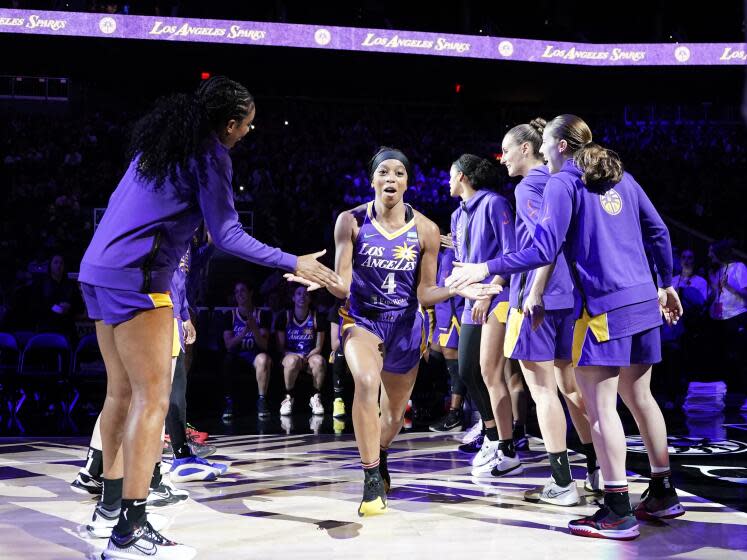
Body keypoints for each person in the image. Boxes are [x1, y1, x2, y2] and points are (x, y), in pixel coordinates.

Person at [77, 75, 339, 558]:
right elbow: (227, 235)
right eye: (248, 127)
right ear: (232, 124)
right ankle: (128, 534)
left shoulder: (157, 145)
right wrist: (293, 261)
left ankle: (109, 512)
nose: (247, 134)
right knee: (152, 405)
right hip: (139, 278)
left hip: (97, 269)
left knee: (120, 395)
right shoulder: (211, 153)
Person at [447, 114, 685, 540]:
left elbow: (541, 247)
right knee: (641, 398)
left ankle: (617, 511)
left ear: (558, 147)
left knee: (600, 408)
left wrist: (487, 266)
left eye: (544, 149)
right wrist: (665, 283)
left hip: (605, 309)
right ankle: (664, 492)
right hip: (644, 301)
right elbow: (659, 230)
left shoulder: (563, 182)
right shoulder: (621, 178)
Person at [286, 146, 499, 516]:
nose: (391, 178)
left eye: (399, 173)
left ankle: (380, 453)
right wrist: (324, 279)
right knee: (366, 382)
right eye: (384, 172)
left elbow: (425, 292)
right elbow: (344, 283)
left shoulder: (427, 230)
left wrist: (455, 288)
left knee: (395, 415)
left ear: (407, 182)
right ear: (372, 180)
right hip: (362, 320)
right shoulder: (349, 222)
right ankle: (370, 477)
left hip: (406, 324)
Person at [499, 119, 599, 506]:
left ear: (527, 148)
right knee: (570, 387)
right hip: (572, 298)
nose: (502, 158)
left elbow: (547, 243)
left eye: (506, 150)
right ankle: (596, 469)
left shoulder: (530, 186)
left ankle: (561, 481)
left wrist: (535, 288)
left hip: (539, 301)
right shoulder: (567, 180)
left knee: (542, 391)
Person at [449, 154, 521, 478]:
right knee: (466, 370)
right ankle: (491, 434)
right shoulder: (456, 216)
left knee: (491, 372)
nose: (447, 181)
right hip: (471, 300)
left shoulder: (495, 204)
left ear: (462, 176)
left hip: (497, 295)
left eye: (451, 175)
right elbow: (462, 262)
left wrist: (490, 290)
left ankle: (507, 447)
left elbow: (511, 254)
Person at [429, 234, 466, 432]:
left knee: (454, 358)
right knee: (433, 358)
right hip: (440, 309)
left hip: (455, 310)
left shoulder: (455, 251)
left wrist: (459, 247)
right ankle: (437, 406)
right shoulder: (439, 253)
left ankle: (455, 413)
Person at [221, 281, 274, 420]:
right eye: (237, 292)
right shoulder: (230, 315)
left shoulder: (262, 315)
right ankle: (229, 402)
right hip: (237, 355)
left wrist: (254, 329)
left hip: (254, 355)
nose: (239, 294)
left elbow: (264, 345)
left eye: (243, 290)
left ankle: (262, 400)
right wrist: (245, 331)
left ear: (250, 293)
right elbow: (228, 345)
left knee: (264, 358)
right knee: (227, 360)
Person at [274, 284, 327, 416]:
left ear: (310, 299)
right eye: (298, 293)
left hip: (310, 355)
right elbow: (280, 347)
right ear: (293, 298)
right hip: (290, 355)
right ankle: (288, 398)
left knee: (319, 361)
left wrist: (306, 356)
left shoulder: (316, 317)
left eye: (306, 294)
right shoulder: (284, 316)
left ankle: (316, 397)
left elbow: (319, 347)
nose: (302, 296)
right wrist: (296, 355)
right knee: (292, 361)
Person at [706, 239, 747, 399]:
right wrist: (714, 290)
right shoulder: (716, 271)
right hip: (718, 320)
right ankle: (725, 395)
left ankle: (744, 396)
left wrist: (729, 286)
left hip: (736, 317)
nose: (709, 255)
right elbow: (714, 297)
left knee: (740, 358)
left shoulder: (740, 268)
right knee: (721, 359)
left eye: (711, 251)